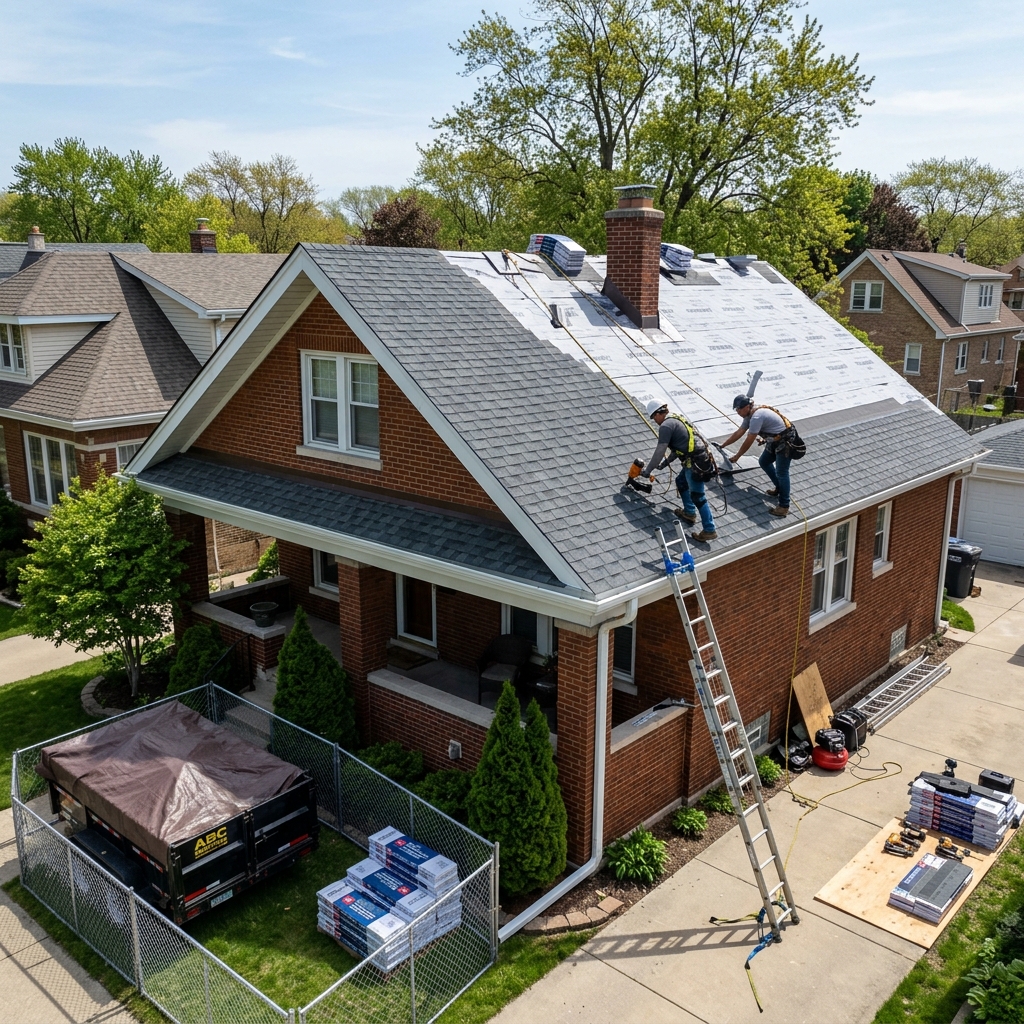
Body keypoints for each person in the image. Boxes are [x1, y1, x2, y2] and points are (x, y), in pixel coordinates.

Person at [641, 400, 718, 541]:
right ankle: (689, 512)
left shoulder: (666, 426)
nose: (654, 421)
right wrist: (664, 464)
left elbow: (660, 450)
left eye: (653, 417)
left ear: (658, 413)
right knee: (681, 481)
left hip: (695, 464)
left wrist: (648, 471)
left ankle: (709, 529)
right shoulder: (676, 419)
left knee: (698, 496)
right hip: (700, 459)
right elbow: (679, 448)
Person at [721, 395, 795, 517]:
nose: (738, 412)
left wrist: (737, 456)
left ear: (747, 406)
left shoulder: (756, 417)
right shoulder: (748, 415)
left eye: (739, 409)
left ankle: (784, 506)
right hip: (775, 440)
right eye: (736, 409)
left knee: (782, 472)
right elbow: (739, 432)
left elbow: (749, 440)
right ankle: (779, 488)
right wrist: (723, 445)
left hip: (786, 441)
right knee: (764, 461)